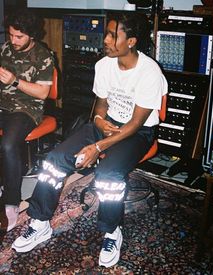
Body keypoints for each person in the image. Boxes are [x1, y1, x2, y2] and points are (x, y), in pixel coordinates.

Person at [12, 12, 167, 268]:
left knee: (108, 175)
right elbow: (100, 105)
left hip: (135, 133)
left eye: (112, 34)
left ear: (131, 41)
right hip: (105, 125)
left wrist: (97, 147)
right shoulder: (104, 65)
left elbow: (137, 123)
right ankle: (40, 222)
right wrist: (97, 122)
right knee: (54, 160)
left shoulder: (150, 73)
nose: (105, 39)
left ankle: (111, 231)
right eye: (106, 33)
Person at [0, 8, 54, 232]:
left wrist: (14, 81)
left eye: (19, 37)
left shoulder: (43, 56)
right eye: (11, 35)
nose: (13, 40)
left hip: (26, 109)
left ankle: (11, 201)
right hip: (2, 104)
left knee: (9, 144)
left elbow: (42, 93)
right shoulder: (5, 48)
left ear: (31, 34)